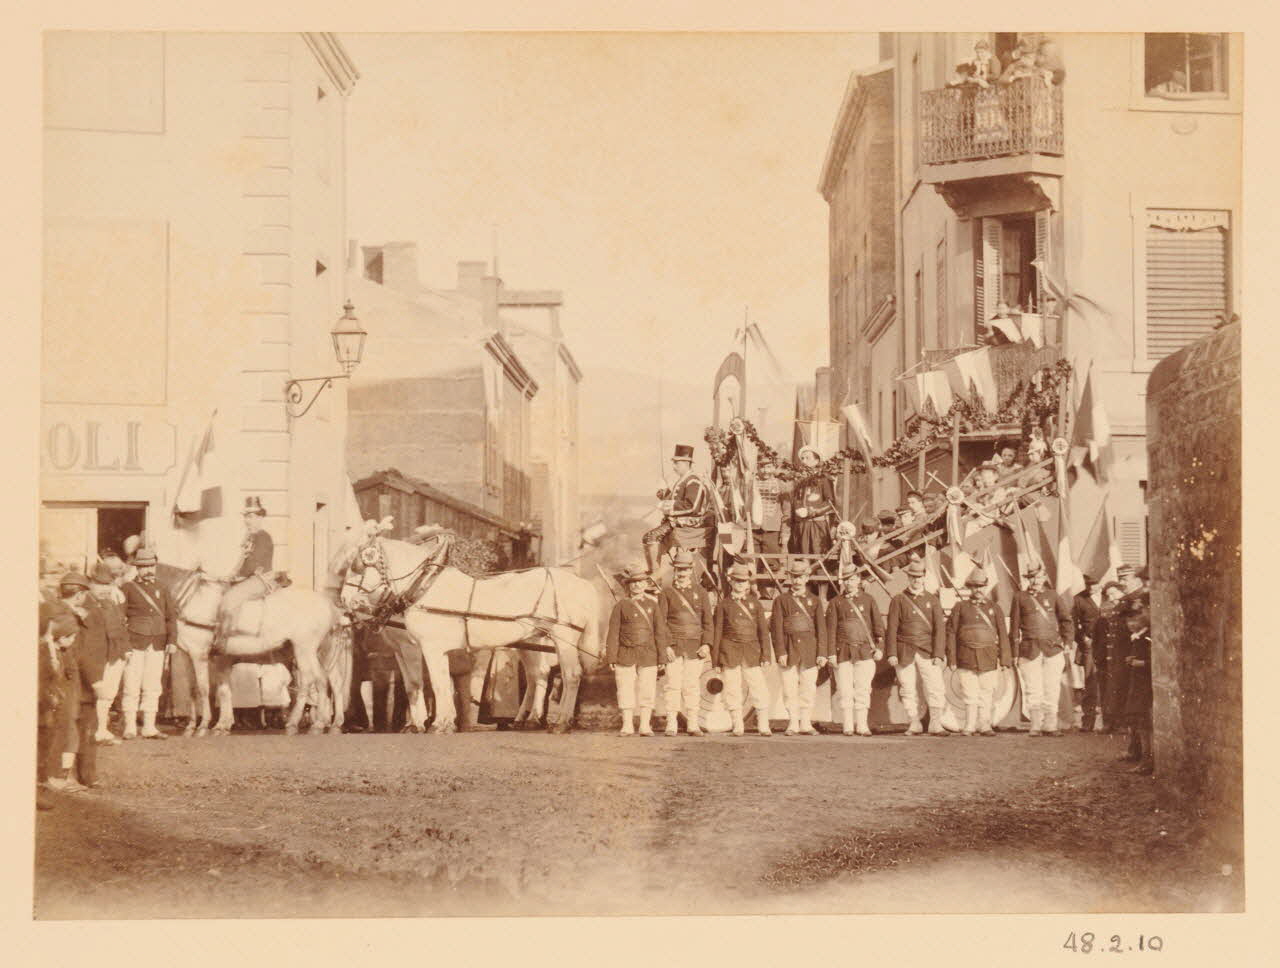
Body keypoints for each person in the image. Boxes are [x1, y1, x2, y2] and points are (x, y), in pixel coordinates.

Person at [1009, 563, 1074, 736]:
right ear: (1028, 579)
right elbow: (1014, 628)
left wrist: (1067, 642)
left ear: (1044, 578)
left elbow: (1066, 620)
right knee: (1033, 688)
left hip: (1053, 649)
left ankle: (1050, 724)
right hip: (1029, 650)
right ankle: (1036, 725)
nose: (1036, 581)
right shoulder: (1020, 597)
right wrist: (1014, 653)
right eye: (1032, 578)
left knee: (1052, 687)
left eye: (1038, 577)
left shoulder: (1053, 595)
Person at [711, 562, 774, 737]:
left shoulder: (756, 604)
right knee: (732, 689)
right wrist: (716, 660)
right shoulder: (723, 605)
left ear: (748, 583)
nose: (740, 584)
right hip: (730, 651)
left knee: (758, 687)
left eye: (743, 581)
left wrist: (766, 655)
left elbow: (763, 632)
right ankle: (737, 724)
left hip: (751, 652)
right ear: (731, 582)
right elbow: (717, 633)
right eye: (737, 580)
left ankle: (763, 724)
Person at [120, 548, 177, 739]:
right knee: (131, 685)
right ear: (137, 568)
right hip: (134, 642)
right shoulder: (128, 588)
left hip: (158, 642)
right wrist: (124, 645)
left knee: (153, 686)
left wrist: (172, 640)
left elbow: (171, 617)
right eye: (144, 567)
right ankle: (129, 726)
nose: (148, 570)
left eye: (151, 566)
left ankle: (149, 727)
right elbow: (120, 619)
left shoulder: (163, 587)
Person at [886, 559, 948, 736]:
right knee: (907, 688)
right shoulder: (898, 599)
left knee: (935, 686)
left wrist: (939, 653)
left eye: (919, 577)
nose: (916, 580)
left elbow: (939, 629)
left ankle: (935, 723)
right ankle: (914, 722)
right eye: (913, 576)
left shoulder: (933, 600)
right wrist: (891, 653)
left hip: (927, 650)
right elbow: (892, 629)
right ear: (908, 578)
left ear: (924, 577)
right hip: (904, 650)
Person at [605, 563, 668, 737]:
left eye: (640, 581)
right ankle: (627, 725)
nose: (637, 585)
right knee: (625, 688)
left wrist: (662, 657)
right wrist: (611, 657)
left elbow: (660, 633)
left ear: (646, 583)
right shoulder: (620, 606)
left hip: (648, 654)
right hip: (626, 653)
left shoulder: (653, 605)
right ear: (628, 585)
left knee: (647, 690)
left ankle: (645, 726)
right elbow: (613, 633)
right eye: (633, 582)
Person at [657, 549, 714, 737]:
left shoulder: (701, 593)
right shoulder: (666, 593)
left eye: (686, 569)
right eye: (679, 569)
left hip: (694, 647)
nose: (682, 573)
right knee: (672, 685)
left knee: (692, 685)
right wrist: (666, 645)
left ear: (691, 570)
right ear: (675, 570)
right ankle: (671, 723)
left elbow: (708, 622)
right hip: (674, 647)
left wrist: (706, 644)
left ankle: (693, 723)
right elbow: (661, 622)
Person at [947, 569, 1011, 736]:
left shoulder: (995, 608)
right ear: (970, 588)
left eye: (981, 586)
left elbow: (1003, 635)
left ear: (986, 587)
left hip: (988, 656)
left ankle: (985, 725)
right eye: (975, 586)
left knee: (986, 692)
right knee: (969, 692)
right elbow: (951, 633)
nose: (978, 590)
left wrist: (1005, 659)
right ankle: (969, 725)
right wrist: (952, 658)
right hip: (966, 656)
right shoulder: (960, 607)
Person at [826, 565, 884, 736]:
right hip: (843, 652)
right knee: (845, 690)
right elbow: (831, 630)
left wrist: (879, 648)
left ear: (858, 580)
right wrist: (832, 653)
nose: (849, 583)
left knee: (863, 689)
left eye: (852, 579)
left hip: (865, 652)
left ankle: (862, 725)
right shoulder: (835, 602)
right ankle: (848, 725)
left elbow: (879, 627)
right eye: (846, 580)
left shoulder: (869, 600)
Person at [771, 560, 826, 736]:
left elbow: (821, 629)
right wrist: (780, 652)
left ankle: (806, 723)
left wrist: (822, 653)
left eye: (801, 576)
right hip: (789, 648)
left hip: (810, 649)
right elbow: (776, 629)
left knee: (808, 687)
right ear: (790, 577)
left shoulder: (815, 601)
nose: (797, 580)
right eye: (794, 576)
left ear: (807, 578)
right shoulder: (781, 600)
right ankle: (793, 723)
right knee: (789, 688)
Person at [214, 497, 276, 651]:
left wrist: (236, 577)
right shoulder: (250, 536)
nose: (248, 521)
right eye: (246, 517)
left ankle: (224, 640)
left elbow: (254, 565)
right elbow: (242, 561)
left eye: (252, 517)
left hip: (260, 580)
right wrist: (229, 576)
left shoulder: (263, 536)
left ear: (260, 518)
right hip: (249, 578)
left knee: (230, 598)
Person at [38, 611, 80, 805]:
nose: (72, 641)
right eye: (70, 637)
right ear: (61, 637)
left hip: (56, 703)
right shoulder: (46, 653)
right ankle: (41, 785)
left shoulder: (61, 652)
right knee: (44, 746)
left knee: (51, 742)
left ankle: (46, 780)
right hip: (46, 706)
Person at [88, 561, 131, 744]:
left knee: (108, 695)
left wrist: (126, 650)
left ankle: (102, 730)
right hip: (96, 658)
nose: (104, 589)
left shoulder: (110, 603)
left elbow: (122, 627)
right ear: (90, 584)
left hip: (115, 655)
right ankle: (95, 731)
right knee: (97, 694)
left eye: (108, 584)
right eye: (100, 584)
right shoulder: (86, 605)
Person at [1120, 594, 1154, 774]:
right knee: (1138, 720)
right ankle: (1140, 755)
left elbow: (1157, 662)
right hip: (1138, 685)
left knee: (1146, 723)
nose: (1131, 624)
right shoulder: (1138, 637)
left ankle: (1148, 761)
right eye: (1129, 620)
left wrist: (1140, 663)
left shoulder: (1149, 637)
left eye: (1135, 618)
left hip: (1146, 686)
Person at [788, 447, 837, 556]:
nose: (804, 461)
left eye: (807, 458)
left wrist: (814, 512)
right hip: (801, 525)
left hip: (816, 525)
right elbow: (796, 500)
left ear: (816, 461)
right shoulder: (800, 480)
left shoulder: (824, 479)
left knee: (817, 555)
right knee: (801, 556)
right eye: (802, 458)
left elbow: (830, 502)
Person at [1093, 581, 1126, 733]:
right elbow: (1097, 637)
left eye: (1114, 593)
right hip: (1105, 658)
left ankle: (1121, 723)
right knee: (1106, 690)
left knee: (1120, 689)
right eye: (1108, 595)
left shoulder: (1125, 612)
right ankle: (1108, 722)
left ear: (1121, 592)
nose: (1111, 598)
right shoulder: (1103, 615)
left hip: (1120, 657)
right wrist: (1097, 656)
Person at [1072, 574, 1102, 732]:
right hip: (1090, 645)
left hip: (1110, 645)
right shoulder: (1078, 599)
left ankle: (1112, 722)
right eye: (1087, 584)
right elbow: (1072, 623)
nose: (1091, 588)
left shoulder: (1110, 596)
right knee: (1091, 682)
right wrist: (1083, 638)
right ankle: (1088, 721)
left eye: (1094, 584)